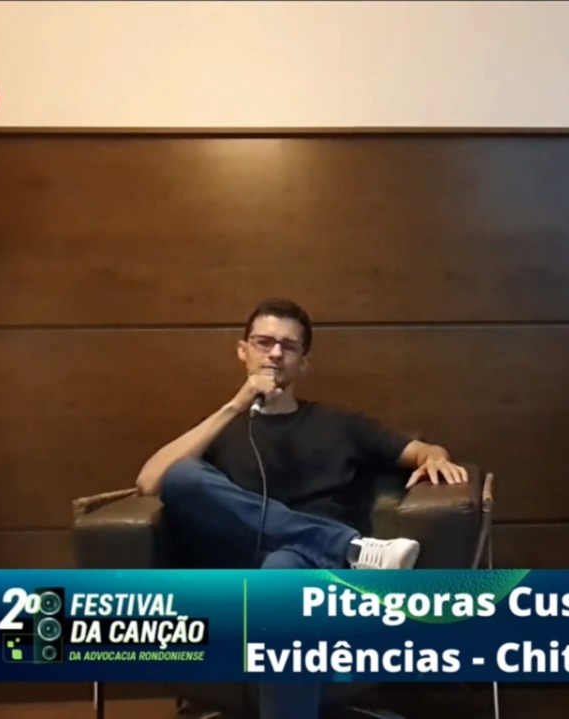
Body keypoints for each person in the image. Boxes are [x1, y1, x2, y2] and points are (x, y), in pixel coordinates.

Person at [135, 297, 469, 719]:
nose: (275, 353)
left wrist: (436, 457)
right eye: (264, 342)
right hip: (241, 568)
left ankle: (336, 550)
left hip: (314, 574)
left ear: (304, 362)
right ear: (242, 350)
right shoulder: (222, 429)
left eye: (289, 346)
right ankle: (351, 547)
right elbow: (151, 481)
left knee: (281, 574)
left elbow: (423, 450)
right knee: (183, 475)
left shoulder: (340, 424)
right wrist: (236, 405)